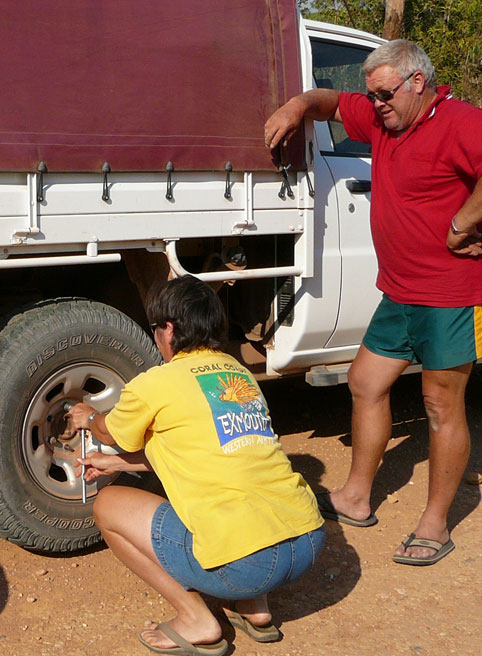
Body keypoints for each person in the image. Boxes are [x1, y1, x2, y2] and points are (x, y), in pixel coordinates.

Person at [264, 39, 482, 566]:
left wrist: (463, 221)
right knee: (365, 382)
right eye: (373, 94)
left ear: (418, 83)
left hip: (453, 293)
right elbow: (331, 101)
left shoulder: (459, 121)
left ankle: (435, 523)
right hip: (402, 291)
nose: (376, 103)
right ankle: (355, 497)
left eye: (385, 93)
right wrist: (296, 106)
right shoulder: (385, 117)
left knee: (439, 404)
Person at [68, 275, 324, 655]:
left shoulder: (155, 383)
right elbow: (195, 451)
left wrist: (89, 418)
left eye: (155, 328)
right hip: (307, 542)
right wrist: (113, 463)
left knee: (107, 507)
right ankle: (256, 608)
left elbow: (110, 432)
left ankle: (196, 619)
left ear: (168, 329)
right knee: (245, 486)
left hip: (248, 563)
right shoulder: (238, 374)